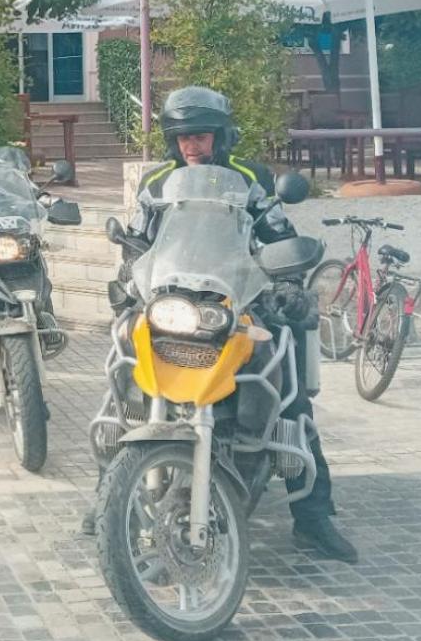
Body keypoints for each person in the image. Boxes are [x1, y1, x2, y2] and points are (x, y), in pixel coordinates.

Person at [89, 86, 357, 563]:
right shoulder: (157, 182)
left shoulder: (251, 179)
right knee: (124, 368)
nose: (192, 145)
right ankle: (107, 495)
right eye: (184, 137)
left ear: (221, 135)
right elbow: (139, 243)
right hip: (172, 300)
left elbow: (279, 235)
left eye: (201, 135)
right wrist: (128, 278)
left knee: (290, 389)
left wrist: (288, 283)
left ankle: (313, 518)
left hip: (238, 298)